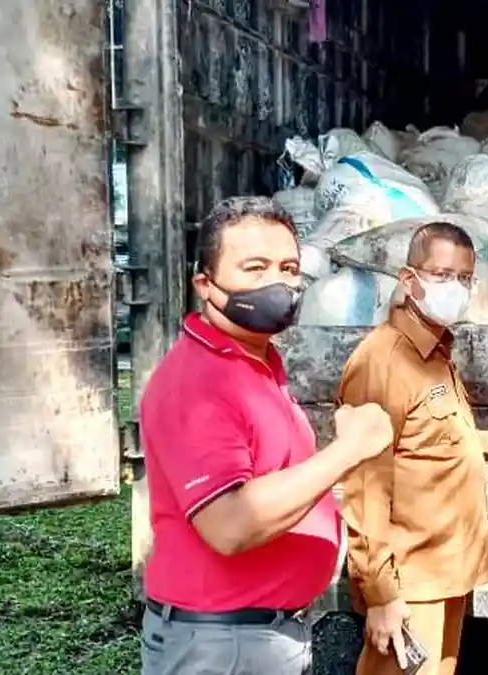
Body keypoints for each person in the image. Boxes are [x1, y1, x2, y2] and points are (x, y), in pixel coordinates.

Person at [138, 196, 393, 675]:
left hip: (257, 636)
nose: (277, 283)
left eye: (289, 267)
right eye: (254, 268)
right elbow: (231, 525)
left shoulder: (256, 363)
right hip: (221, 646)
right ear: (204, 283)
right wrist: (349, 451)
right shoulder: (197, 382)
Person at [338, 221, 488, 675]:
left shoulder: (434, 352)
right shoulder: (381, 362)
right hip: (410, 583)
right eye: (442, 276)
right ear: (410, 281)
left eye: (464, 278)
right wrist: (382, 595)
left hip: (445, 572)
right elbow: (365, 487)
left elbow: (424, 439)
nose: (455, 288)